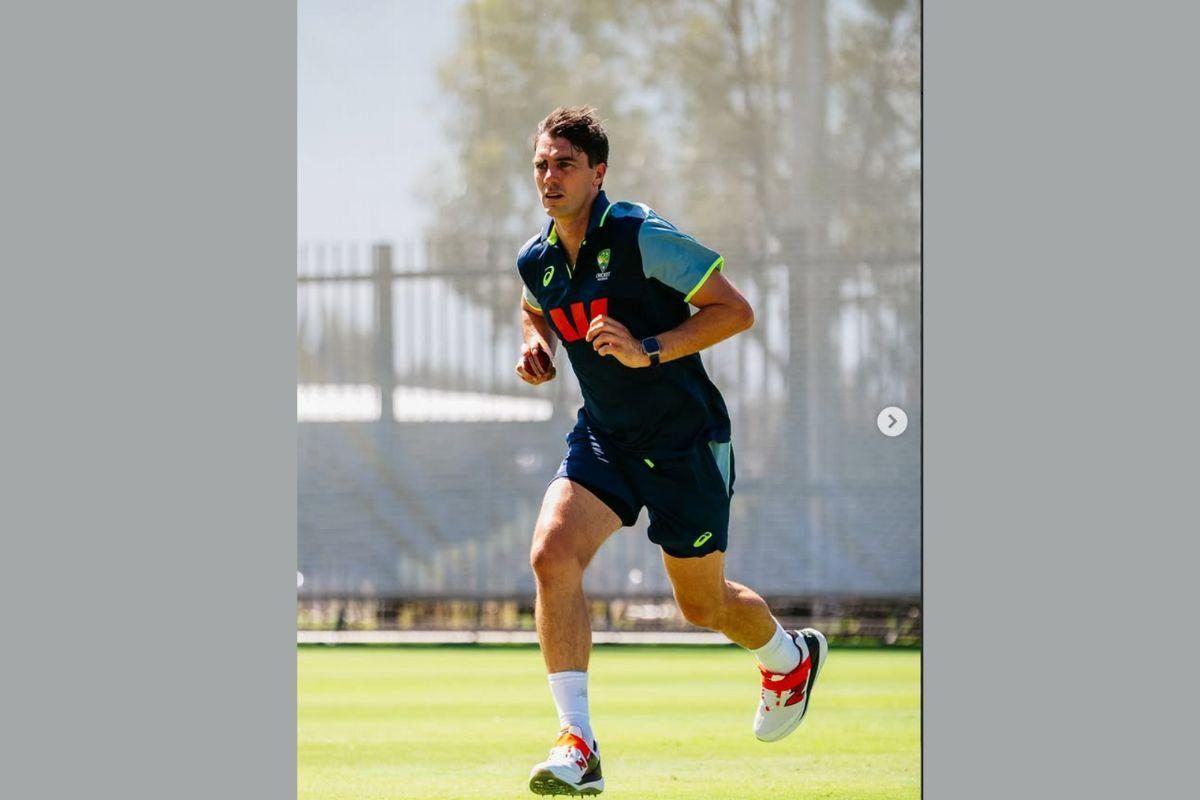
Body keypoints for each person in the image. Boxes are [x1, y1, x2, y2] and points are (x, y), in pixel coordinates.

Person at [515, 106, 827, 797]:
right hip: (605, 436)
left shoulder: (639, 235)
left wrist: (647, 348)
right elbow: (536, 303)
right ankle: (579, 742)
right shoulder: (536, 259)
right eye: (541, 163)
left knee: (704, 606)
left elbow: (735, 309)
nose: (549, 176)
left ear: (598, 173)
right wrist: (536, 344)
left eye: (565, 163)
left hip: (686, 441)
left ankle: (789, 655)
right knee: (550, 555)